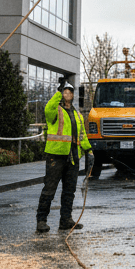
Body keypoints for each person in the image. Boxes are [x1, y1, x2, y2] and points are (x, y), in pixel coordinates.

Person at [36, 78, 93, 233]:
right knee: (49, 189)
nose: (68, 94)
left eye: (70, 92)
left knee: (69, 191)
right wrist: (58, 92)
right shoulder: (55, 111)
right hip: (56, 156)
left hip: (73, 157)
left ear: (73, 95)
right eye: (65, 92)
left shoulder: (77, 114)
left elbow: (82, 135)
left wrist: (89, 150)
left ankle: (66, 220)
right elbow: (48, 107)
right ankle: (41, 220)